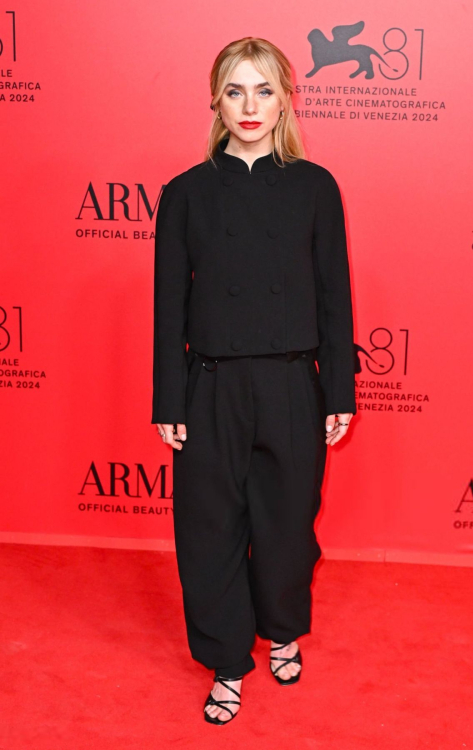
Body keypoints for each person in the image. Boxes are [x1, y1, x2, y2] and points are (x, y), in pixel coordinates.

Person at [152, 37, 357, 725]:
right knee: (207, 530)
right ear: (215, 98)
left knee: (286, 528)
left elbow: (335, 296)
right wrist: (167, 398)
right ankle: (228, 663)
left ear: (286, 99)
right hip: (210, 386)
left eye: (264, 90)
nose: (250, 106)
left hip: (293, 384)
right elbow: (168, 309)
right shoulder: (184, 194)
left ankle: (282, 628)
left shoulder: (315, 187)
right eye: (236, 90)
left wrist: (341, 389)